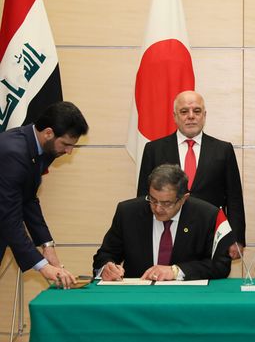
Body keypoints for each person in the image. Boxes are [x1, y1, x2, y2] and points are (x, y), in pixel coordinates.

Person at [137, 91, 245, 259]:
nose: (191, 116)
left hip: (210, 233)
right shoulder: (154, 149)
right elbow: (143, 196)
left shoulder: (223, 150)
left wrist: (236, 238)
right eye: (184, 111)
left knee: (211, 280)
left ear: (204, 115)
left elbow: (234, 198)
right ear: (174, 116)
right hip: (167, 232)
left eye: (196, 111)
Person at [0, 101, 89, 288]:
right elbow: (9, 217)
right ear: (48, 133)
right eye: (66, 144)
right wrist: (43, 266)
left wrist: (47, 246)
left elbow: (28, 200)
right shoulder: (13, 153)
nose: (69, 151)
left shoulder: (42, 149)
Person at [93, 164, 231, 281]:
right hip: (138, 297)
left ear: (183, 199)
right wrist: (106, 268)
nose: (157, 208)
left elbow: (220, 265)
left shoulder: (207, 216)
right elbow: (104, 255)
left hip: (186, 298)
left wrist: (176, 271)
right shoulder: (128, 212)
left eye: (166, 203)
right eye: (152, 199)